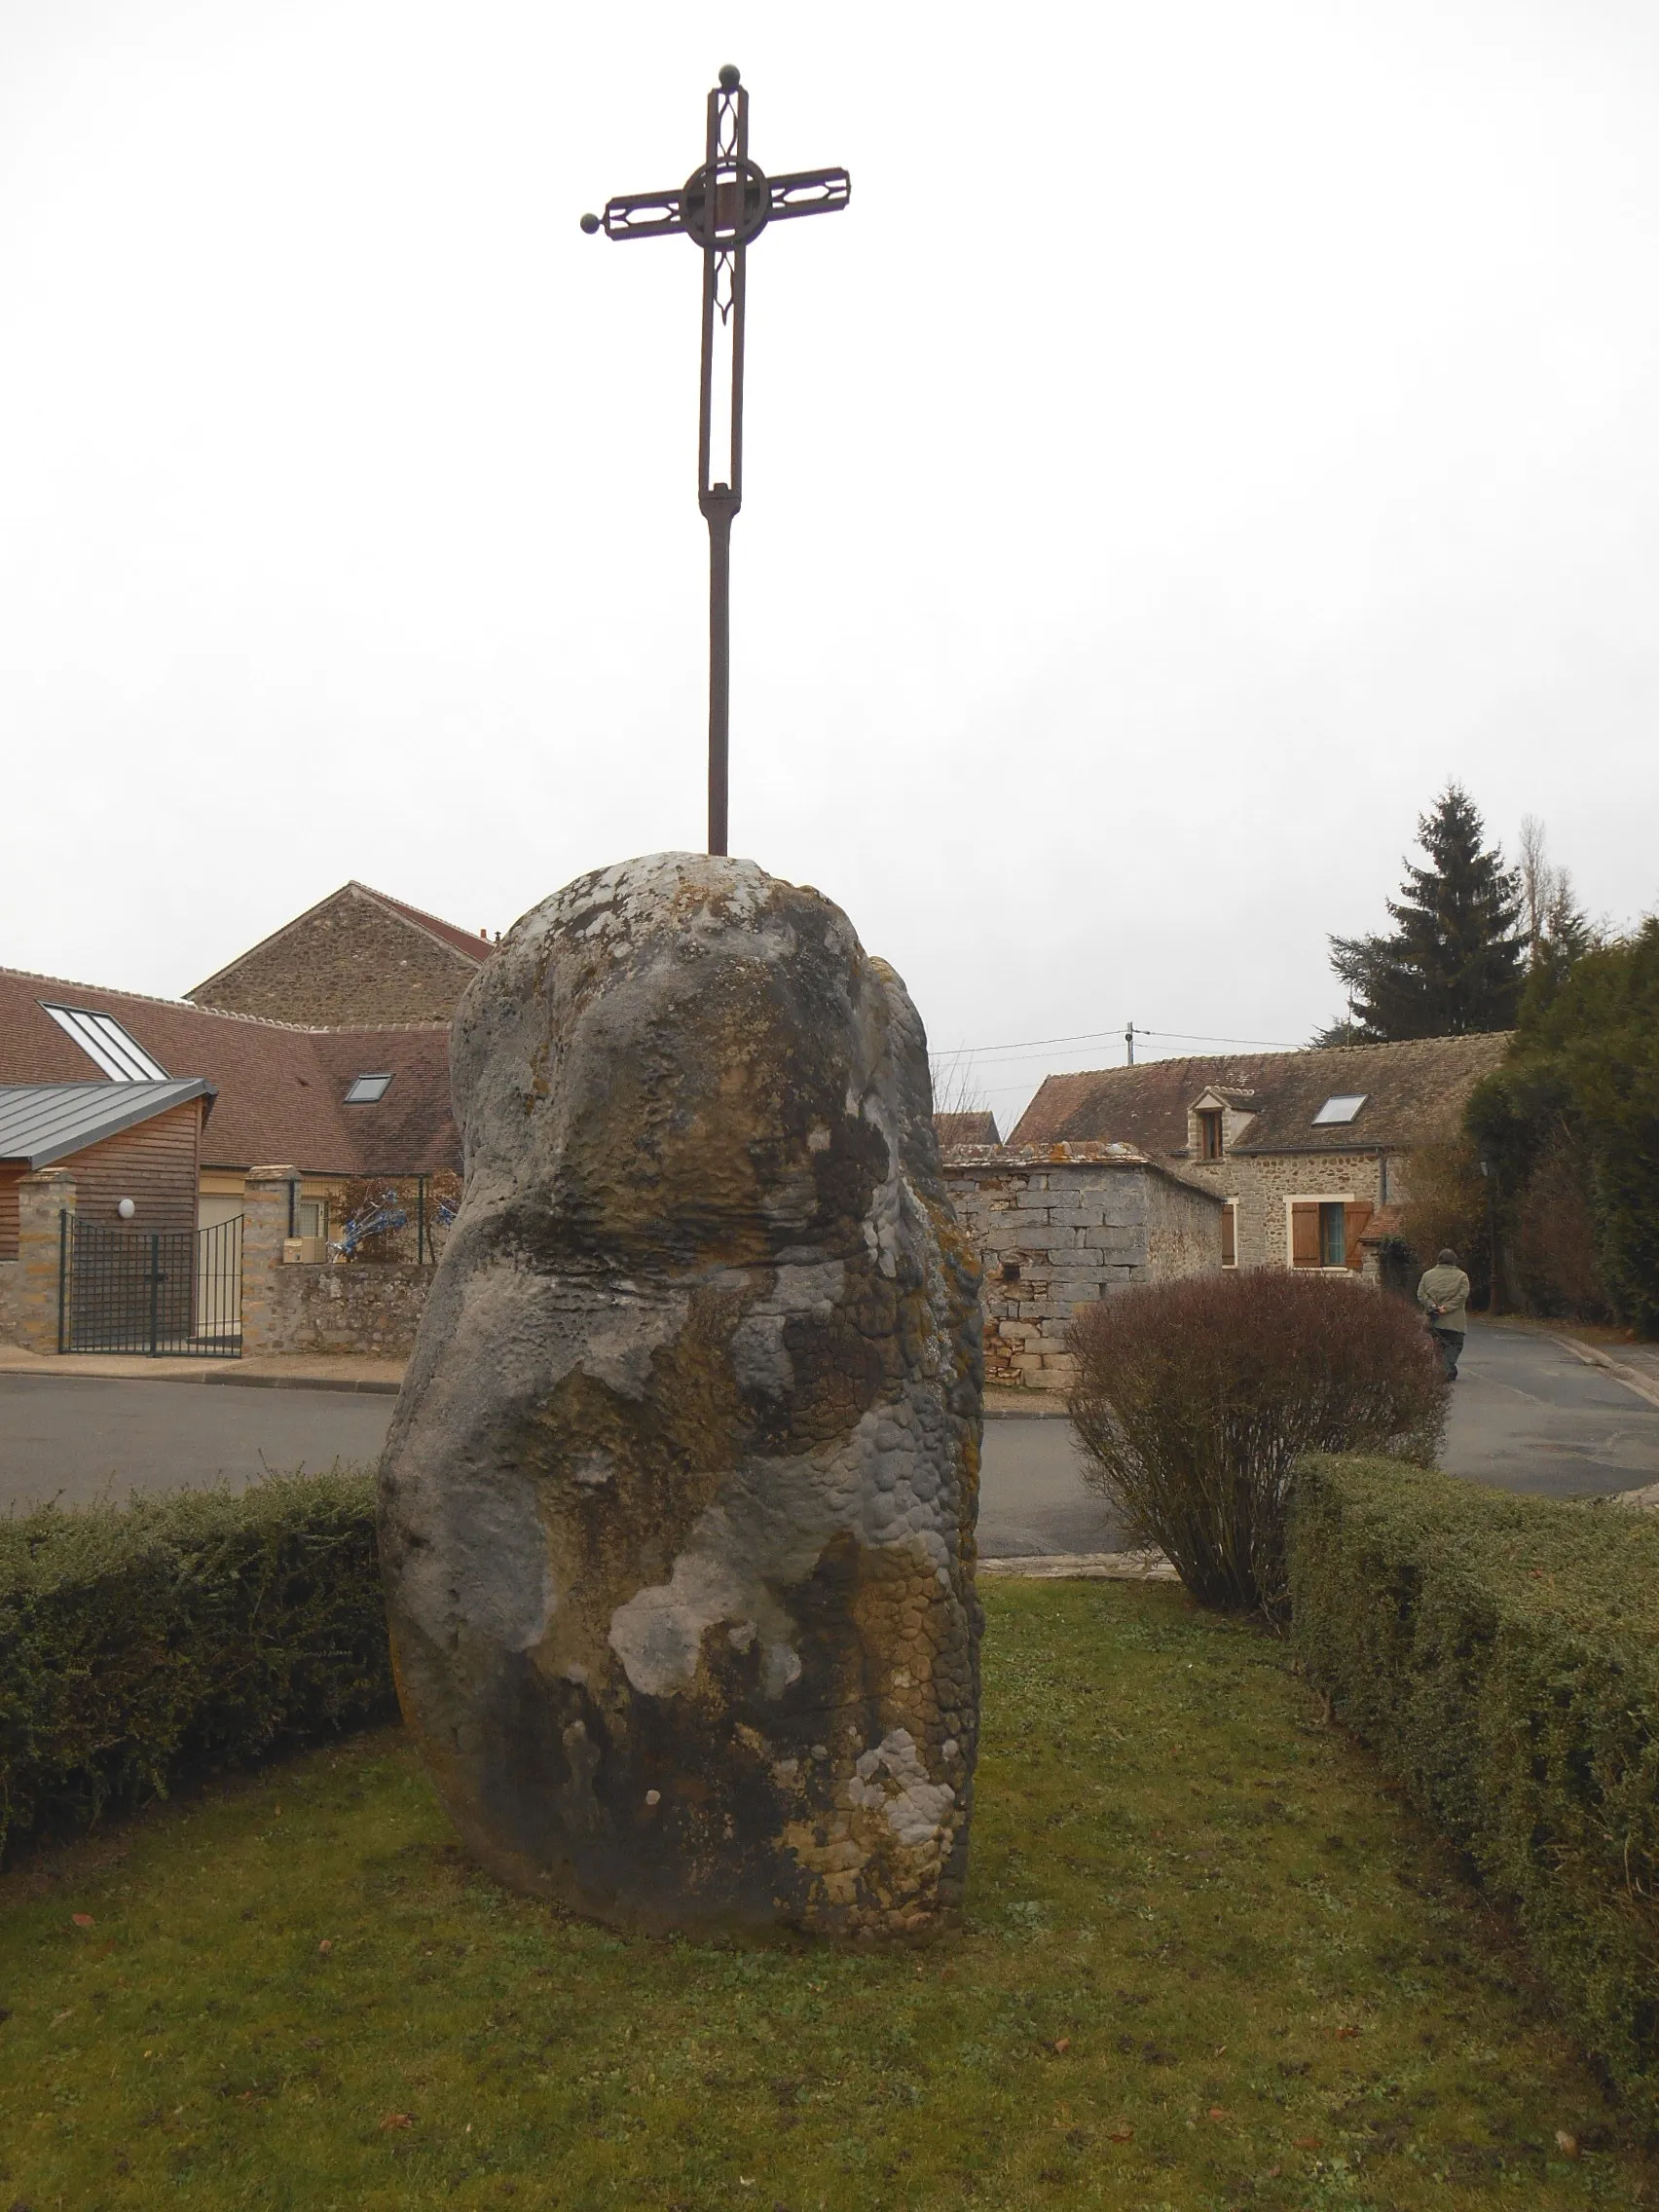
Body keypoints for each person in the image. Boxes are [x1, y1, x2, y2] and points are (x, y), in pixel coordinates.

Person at [1417, 1247, 1472, 1380]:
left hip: (1433, 1319)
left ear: (1438, 1260)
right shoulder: (1462, 1276)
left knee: (1439, 1346)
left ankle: (1448, 1370)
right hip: (1454, 1321)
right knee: (1454, 1345)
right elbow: (1462, 1295)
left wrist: (1432, 1306)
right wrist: (1446, 1308)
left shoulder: (1427, 1275)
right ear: (1454, 1261)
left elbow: (1421, 1294)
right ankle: (1445, 1371)